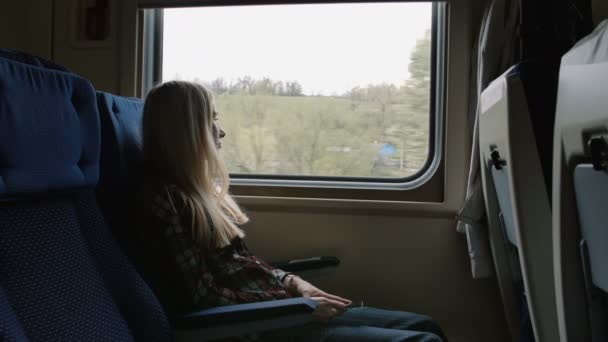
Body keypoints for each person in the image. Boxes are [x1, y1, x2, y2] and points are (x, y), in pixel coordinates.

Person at [135, 81, 447, 342]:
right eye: (212, 119)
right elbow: (202, 297)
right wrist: (294, 306)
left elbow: (242, 264)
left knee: (424, 325)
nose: (221, 131)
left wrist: (294, 282)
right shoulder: (167, 201)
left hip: (283, 308)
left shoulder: (201, 195)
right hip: (261, 326)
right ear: (189, 130)